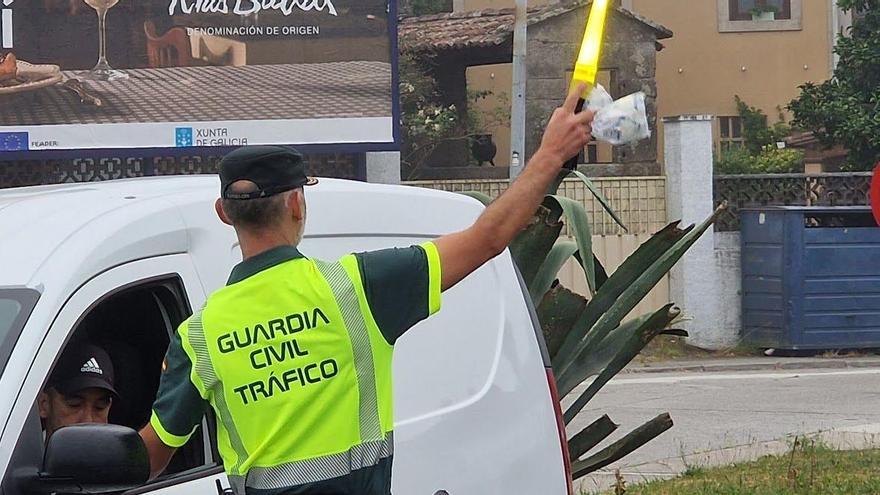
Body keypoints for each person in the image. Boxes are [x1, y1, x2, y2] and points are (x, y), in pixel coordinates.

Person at [138, 84, 595, 494]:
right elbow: (488, 238)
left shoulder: (198, 336)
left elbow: (150, 456)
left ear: (223, 213)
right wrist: (551, 154)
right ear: (298, 203)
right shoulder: (358, 288)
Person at [39, 343, 118, 438]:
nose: (88, 420)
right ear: (43, 404)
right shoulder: (19, 448)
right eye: (74, 404)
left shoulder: (115, 451)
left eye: (100, 407)